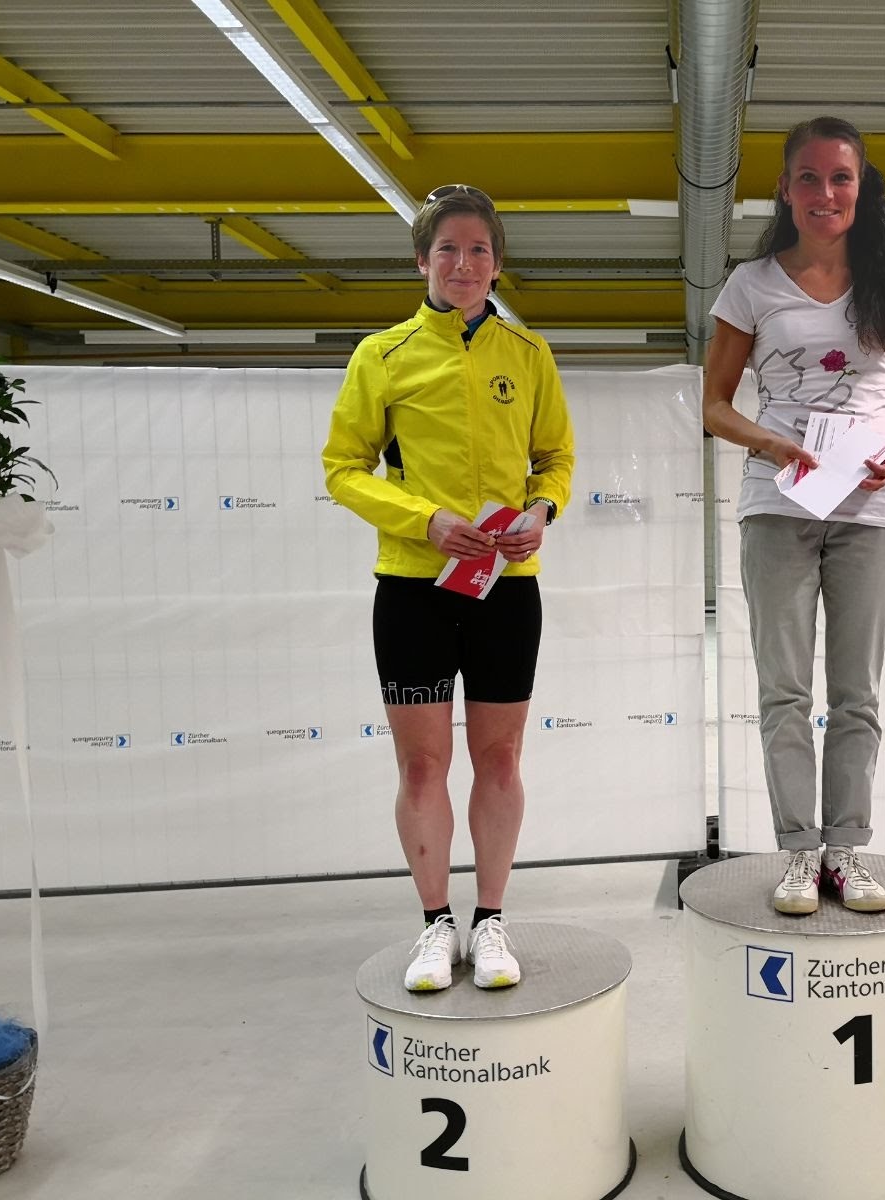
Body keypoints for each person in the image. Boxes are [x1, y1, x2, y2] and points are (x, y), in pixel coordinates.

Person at [323, 184, 574, 991]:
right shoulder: (382, 355)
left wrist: (542, 509)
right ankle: (435, 925)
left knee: (499, 760)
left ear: (497, 265)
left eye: (478, 251)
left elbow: (555, 458)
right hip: (413, 589)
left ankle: (490, 921)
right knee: (422, 767)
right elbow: (343, 468)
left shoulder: (528, 355)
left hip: (507, 586)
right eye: (447, 250)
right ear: (421, 261)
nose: (462, 264)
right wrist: (423, 520)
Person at [703, 116, 885, 916]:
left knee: (857, 690)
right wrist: (771, 443)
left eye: (841, 177)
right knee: (784, 689)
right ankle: (799, 851)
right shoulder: (751, 285)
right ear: (784, 189)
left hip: (872, 505)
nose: (825, 192)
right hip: (780, 503)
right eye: (808, 176)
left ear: (861, 188)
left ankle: (846, 849)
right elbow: (714, 404)